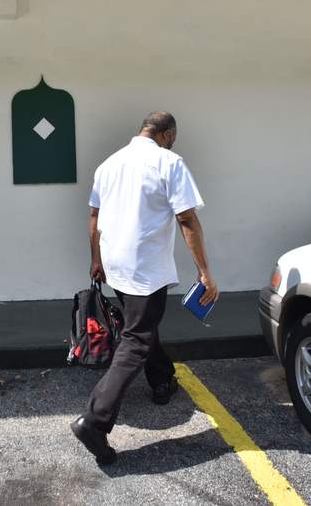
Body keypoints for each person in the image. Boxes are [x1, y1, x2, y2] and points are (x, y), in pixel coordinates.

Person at [70, 111, 218, 464]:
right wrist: (205, 272)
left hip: (116, 262)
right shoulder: (169, 162)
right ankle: (95, 420)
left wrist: (97, 259)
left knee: (141, 325)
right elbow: (186, 217)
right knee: (136, 338)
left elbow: (94, 215)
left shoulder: (108, 164)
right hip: (145, 268)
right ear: (166, 134)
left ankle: (162, 378)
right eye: (173, 138)